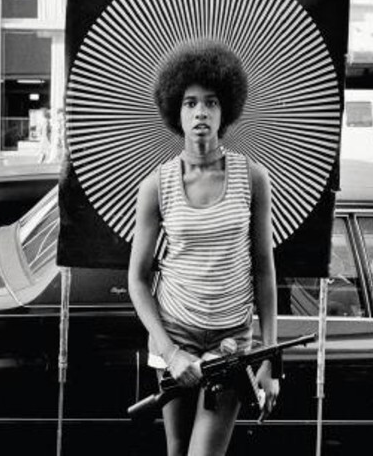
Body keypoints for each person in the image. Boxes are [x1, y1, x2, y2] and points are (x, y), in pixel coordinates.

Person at [128, 41, 278, 456]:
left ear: (224, 110)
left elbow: (264, 269)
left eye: (211, 102)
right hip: (174, 333)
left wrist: (270, 360)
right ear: (175, 111)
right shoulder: (156, 185)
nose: (201, 113)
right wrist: (171, 352)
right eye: (190, 102)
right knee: (177, 451)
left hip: (230, 343)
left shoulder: (253, 177)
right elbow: (137, 280)